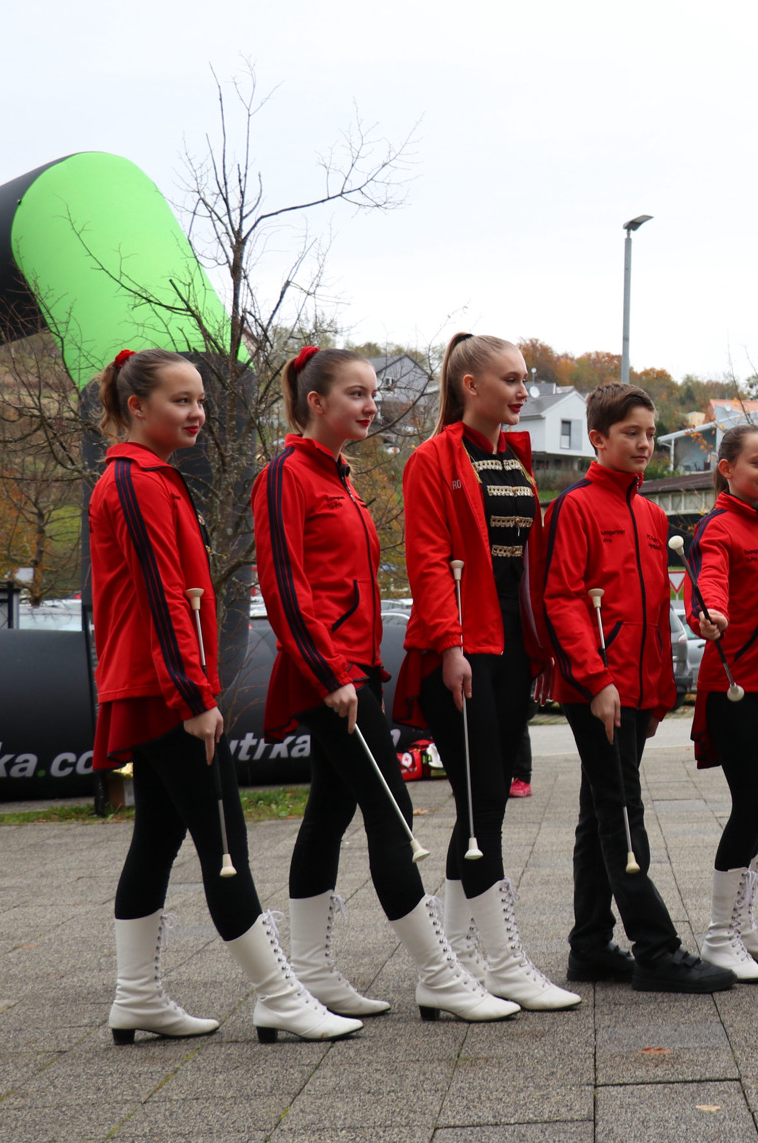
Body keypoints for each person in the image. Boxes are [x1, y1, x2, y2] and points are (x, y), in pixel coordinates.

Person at [90, 347, 358, 1045]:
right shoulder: (135, 482)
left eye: (201, 400)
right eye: (181, 401)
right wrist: (191, 695)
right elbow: (160, 599)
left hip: (159, 685)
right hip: (162, 689)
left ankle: (137, 996)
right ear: (136, 407)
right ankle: (277, 994)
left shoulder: (152, 477)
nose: (198, 413)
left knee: (157, 837)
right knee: (224, 843)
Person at [253, 346, 518, 1023]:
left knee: (330, 813)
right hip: (331, 678)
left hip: (352, 671)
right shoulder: (288, 474)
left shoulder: (336, 476)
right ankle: (440, 973)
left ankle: (308, 972)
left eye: (373, 394)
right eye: (356, 394)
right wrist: (330, 673)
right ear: (316, 402)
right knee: (392, 818)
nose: (372, 406)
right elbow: (285, 584)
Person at [398, 332, 579, 1011]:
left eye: (525, 379)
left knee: (487, 807)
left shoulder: (514, 460)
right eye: (511, 380)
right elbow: (428, 559)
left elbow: (525, 572)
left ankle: (455, 962)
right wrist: (449, 646)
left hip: (507, 653)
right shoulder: (433, 460)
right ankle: (498, 962)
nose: (523, 392)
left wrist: (539, 652)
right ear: (470, 386)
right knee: (482, 807)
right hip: (461, 654)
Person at [539, 382, 735, 993]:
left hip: (638, 690)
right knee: (622, 812)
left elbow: (655, 609)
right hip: (599, 689)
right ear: (598, 438)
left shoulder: (651, 513)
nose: (645, 443)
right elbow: (563, 598)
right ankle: (655, 948)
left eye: (650, 433)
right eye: (631, 433)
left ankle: (591, 946)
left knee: (598, 813)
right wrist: (596, 680)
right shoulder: (575, 505)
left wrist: (664, 685)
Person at [684, 426, 758, 981]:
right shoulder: (718, 529)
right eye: (757, 463)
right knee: (750, 803)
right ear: (726, 468)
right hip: (732, 686)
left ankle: (744, 926)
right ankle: (718, 935)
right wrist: (711, 614)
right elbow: (708, 584)